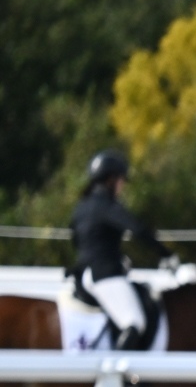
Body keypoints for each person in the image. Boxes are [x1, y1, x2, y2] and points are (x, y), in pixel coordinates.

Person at [70, 150, 174, 350]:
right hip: (105, 274)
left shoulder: (82, 207)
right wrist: (165, 254)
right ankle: (116, 368)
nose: (122, 186)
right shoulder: (106, 205)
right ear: (111, 180)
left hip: (84, 273)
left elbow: (76, 239)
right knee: (134, 323)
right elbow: (138, 229)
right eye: (121, 181)